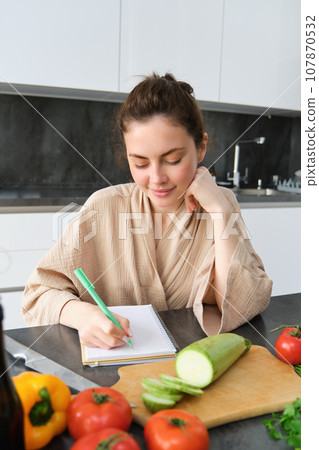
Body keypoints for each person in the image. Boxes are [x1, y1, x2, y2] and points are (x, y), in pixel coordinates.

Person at [22, 73, 272, 349]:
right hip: (112, 373)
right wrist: (81, 315)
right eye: (140, 163)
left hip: (191, 366)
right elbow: (38, 295)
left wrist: (220, 210)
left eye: (173, 160)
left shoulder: (221, 205)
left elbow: (242, 306)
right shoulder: (104, 205)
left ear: (201, 147)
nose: (157, 178)